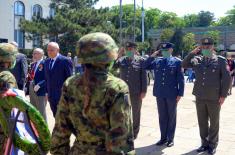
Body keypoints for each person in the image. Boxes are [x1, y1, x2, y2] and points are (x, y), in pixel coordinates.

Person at [50, 32, 135, 155]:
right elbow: (121, 136)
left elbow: (60, 129)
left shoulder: (70, 84)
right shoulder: (117, 87)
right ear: (109, 56)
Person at [182, 37, 231, 155]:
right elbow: (184, 64)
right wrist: (191, 53)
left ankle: (213, 145)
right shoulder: (197, 59)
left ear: (212, 47)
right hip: (200, 96)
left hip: (214, 97)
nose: (205, 49)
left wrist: (223, 95)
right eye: (203, 47)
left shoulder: (220, 60)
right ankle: (204, 144)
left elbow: (227, 78)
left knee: (214, 122)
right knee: (202, 122)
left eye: (208, 47)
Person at [143, 42, 185, 147]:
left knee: (171, 116)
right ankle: (163, 137)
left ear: (171, 50)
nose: (164, 52)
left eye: (166, 50)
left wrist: (180, 93)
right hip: (160, 93)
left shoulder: (177, 62)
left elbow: (181, 79)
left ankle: (170, 139)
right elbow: (145, 66)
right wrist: (152, 56)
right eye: (163, 51)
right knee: (162, 116)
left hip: (172, 94)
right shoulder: (157, 61)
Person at [115, 41, 147, 139]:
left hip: (136, 92)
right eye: (127, 49)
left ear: (134, 50)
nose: (128, 51)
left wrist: (144, 91)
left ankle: (135, 132)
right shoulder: (121, 60)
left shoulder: (141, 61)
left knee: (136, 113)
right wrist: (118, 54)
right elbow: (112, 67)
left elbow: (144, 77)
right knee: (124, 113)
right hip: (123, 92)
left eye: (130, 49)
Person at [44, 42, 73, 117]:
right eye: (48, 50)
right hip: (51, 96)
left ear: (58, 50)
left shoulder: (65, 61)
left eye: (52, 50)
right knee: (55, 116)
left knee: (64, 118)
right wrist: (47, 92)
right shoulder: (47, 62)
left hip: (62, 96)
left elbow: (69, 79)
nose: (49, 52)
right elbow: (47, 79)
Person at [29, 48, 47, 121]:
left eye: (35, 53)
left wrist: (40, 85)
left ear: (41, 54)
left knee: (41, 111)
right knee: (33, 109)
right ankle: (35, 129)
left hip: (40, 90)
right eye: (33, 53)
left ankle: (44, 130)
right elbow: (31, 76)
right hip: (32, 88)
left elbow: (48, 78)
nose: (33, 55)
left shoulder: (45, 63)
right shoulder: (33, 64)